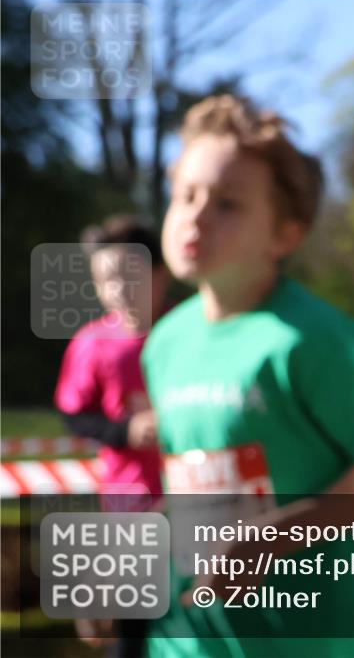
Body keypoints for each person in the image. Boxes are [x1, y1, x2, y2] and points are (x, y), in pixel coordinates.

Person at [141, 95, 354, 658]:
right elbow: (193, 486)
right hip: (190, 641)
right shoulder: (165, 342)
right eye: (186, 196)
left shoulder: (312, 337)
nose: (196, 216)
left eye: (228, 204)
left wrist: (272, 539)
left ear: (284, 236)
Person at [55, 214, 171, 657]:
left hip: (204, 503)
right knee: (133, 633)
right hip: (130, 506)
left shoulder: (190, 333)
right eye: (106, 279)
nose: (118, 288)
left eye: (130, 274)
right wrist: (125, 429)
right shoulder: (90, 343)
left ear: (161, 273)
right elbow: (74, 414)